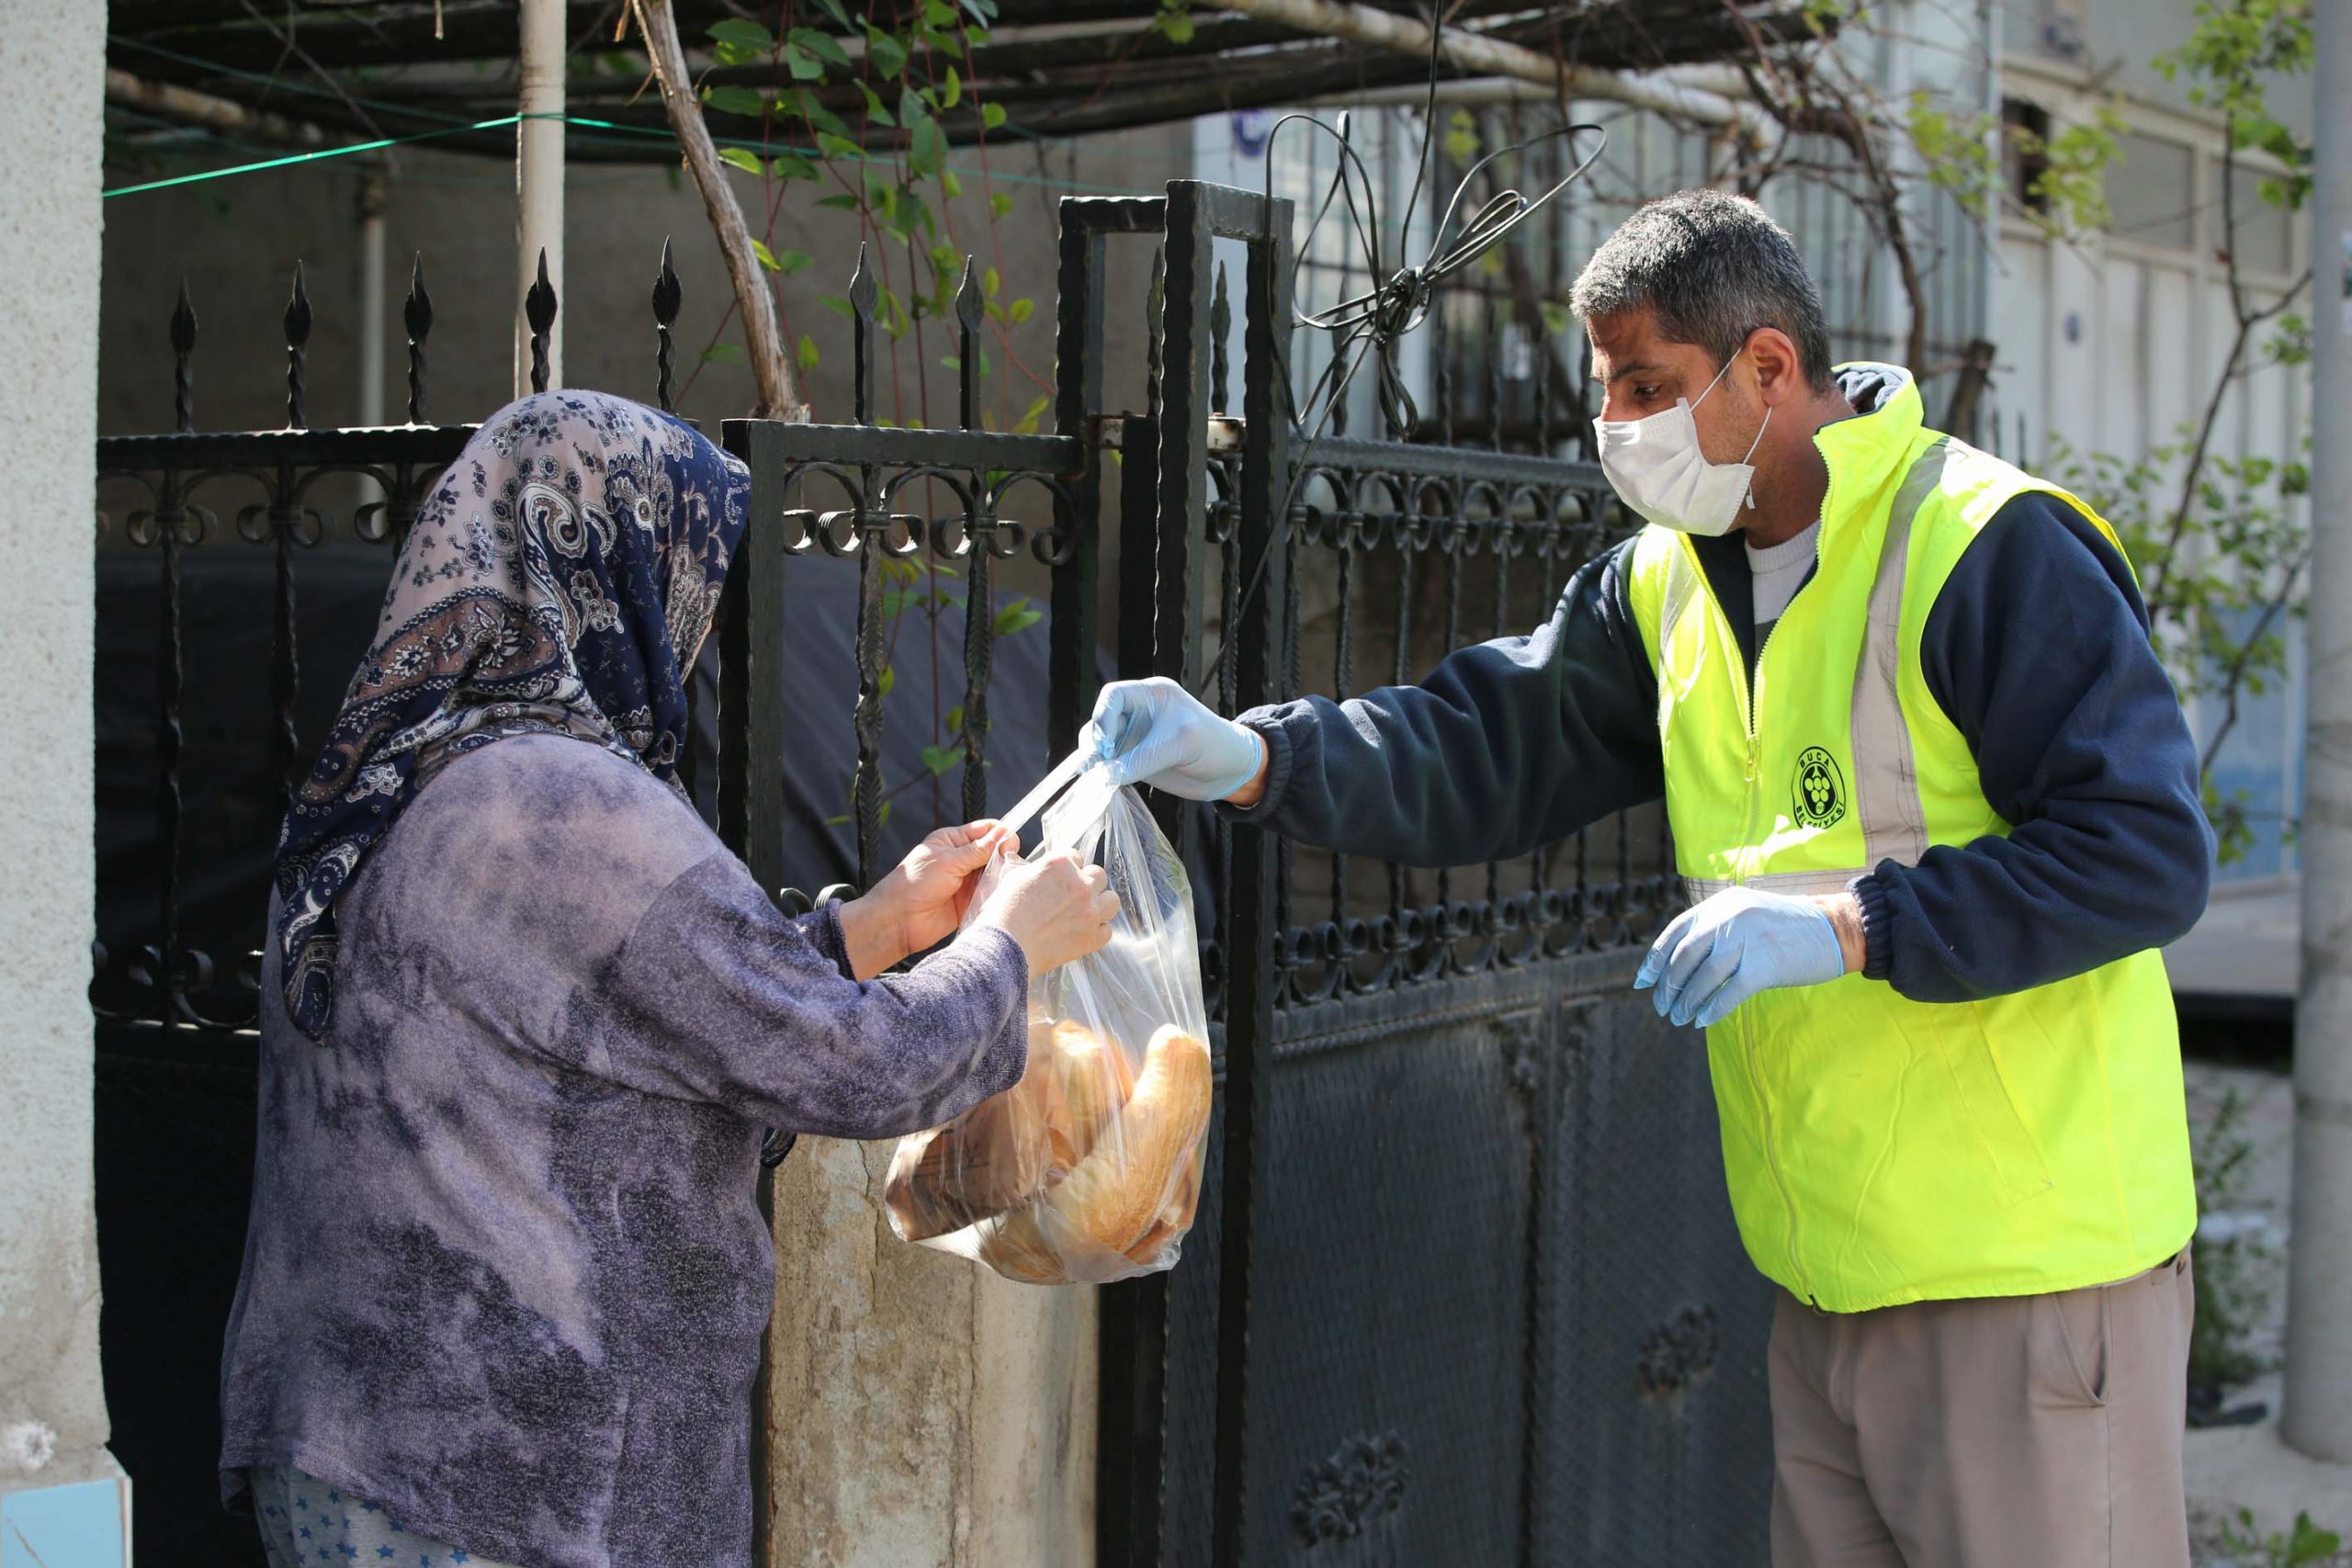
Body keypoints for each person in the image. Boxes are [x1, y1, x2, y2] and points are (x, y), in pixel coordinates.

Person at [1093, 189, 2211, 1568]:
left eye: (1647, 383)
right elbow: (1484, 741)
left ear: (1768, 368)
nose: (1616, 423)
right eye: (1606, 385)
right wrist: (1247, 754)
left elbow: (2144, 852)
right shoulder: (1668, 585)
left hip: (2033, 1281)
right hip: (1826, 1282)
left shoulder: (1985, 546)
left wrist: (1847, 924)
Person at [219, 390, 1116, 1568]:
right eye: (691, 566)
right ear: (630, 568)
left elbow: (609, 1020)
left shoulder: (388, 780)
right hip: (513, 1477)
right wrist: (1009, 950)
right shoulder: (574, 809)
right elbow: (849, 1069)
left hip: (351, 1446)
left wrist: (872, 927)